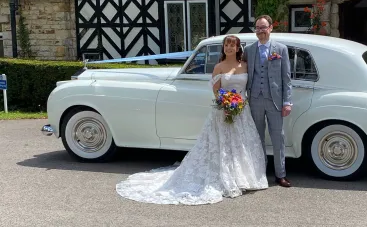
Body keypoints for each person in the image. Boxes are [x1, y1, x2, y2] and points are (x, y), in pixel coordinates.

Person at [116, 35, 268, 205]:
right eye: (227, 45)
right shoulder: (219, 66)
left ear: (239, 48)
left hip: (242, 110)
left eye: (233, 45)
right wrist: (225, 104)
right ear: (223, 48)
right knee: (223, 145)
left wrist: (239, 103)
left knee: (241, 144)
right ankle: (227, 176)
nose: (229, 48)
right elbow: (216, 90)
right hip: (223, 110)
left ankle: (244, 176)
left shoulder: (245, 65)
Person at [243, 15, 293, 188]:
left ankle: (281, 175)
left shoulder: (281, 49)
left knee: (278, 137)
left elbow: (286, 78)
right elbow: (242, 73)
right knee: (257, 138)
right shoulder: (248, 50)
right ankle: (259, 173)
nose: (260, 31)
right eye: (257, 28)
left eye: (263, 27)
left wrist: (287, 102)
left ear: (271, 28)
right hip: (254, 99)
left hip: (275, 101)